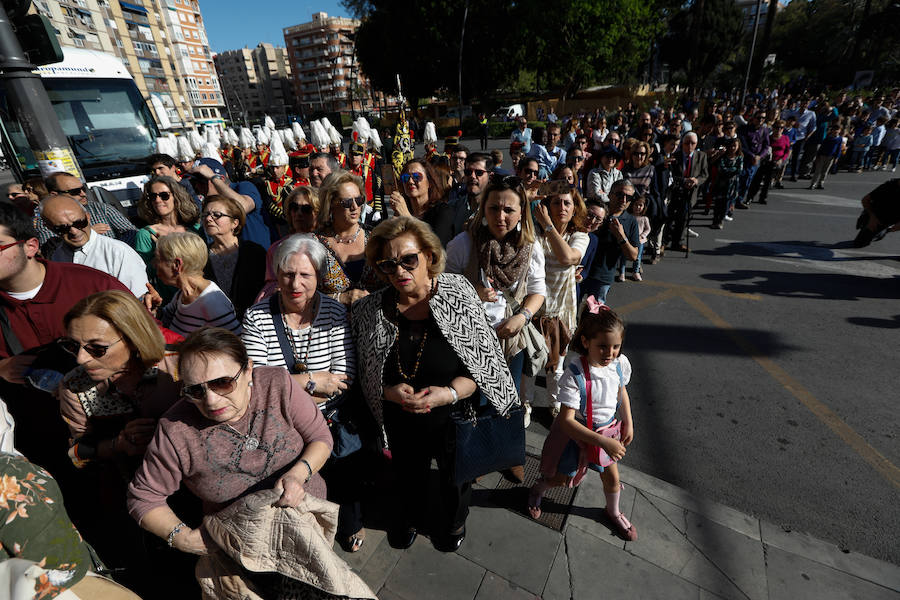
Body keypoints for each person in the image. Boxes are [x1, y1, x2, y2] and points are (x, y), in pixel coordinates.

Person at [352, 216, 519, 552]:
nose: (399, 271)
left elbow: (484, 367)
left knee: (455, 478)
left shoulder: (458, 292)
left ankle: (453, 522)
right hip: (399, 418)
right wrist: (388, 393)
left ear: (429, 255)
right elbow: (362, 374)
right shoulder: (369, 309)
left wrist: (449, 393)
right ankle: (408, 517)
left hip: (453, 415)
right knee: (406, 475)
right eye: (388, 264)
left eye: (408, 259)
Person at [126, 327, 333, 554]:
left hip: (307, 519)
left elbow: (320, 437)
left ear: (248, 370)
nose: (212, 401)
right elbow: (144, 497)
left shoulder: (277, 385)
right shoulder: (176, 431)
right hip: (243, 546)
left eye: (223, 383)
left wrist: (298, 474)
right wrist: (184, 539)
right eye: (196, 391)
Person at [240, 234, 365, 551]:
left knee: (345, 477)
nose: (296, 283)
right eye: (288, 274)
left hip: (330, 419)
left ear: (318, 277)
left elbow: (346, 377)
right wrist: (312, 381)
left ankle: (350, 525)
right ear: (277, 275)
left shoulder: (335, 314)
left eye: (305, 275)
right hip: (282, 425)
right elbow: (255, 382)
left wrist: (286, 386)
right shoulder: (257, 317)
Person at [57, 290, 180, 591]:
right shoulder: (74, 387)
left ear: (133, 336)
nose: (81, 358)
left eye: (96, 349)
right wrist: (117, 446)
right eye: (73, 346)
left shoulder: (175, 368)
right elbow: (75, 454)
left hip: (190, 497)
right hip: (126, 512)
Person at [527, 300, 637, 542]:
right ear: (586, 342)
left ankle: (613, 511)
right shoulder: (575, 374)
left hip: (606, 435)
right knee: (562, 479)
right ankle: (538, 488)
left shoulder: (619, 365)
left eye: (616, 346)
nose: (610, 354)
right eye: (603, 347)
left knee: (612, 478)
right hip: (579, 438)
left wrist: (627, 420)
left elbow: (622, 391)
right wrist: (602, 442)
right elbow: (566, 421)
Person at [446, 175, 545, 392]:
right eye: (493, 208)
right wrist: (472, 292)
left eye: (509, 210)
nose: (500, 217)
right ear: (484, 209)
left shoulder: (531, 248)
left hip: (512, 343)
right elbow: (442, 290)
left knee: (506, 405)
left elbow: (538, 291)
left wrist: (523, 317)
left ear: (521, 213)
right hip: (469, 341)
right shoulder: (463, 244)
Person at [526, 190, 589, 418]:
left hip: (561, 312)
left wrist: (548, 225)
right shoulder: (536, 235)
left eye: (567, 203)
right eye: (556, 203)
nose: (562, 207)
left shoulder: (580, 236)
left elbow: (568, 258)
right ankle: (526, 404)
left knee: (556, 367)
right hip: (535, 308)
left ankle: (554, 405)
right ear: (548, 206)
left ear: (574, 210)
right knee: (531, 365)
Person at [40, 194, 149, 298]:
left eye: (79, 223)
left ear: (88, 217)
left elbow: (137, 301)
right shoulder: (57, 256)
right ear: (49, 228)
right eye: (62, 228)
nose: (74, 231)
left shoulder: (118, 252)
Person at [152, 232, 242, 336]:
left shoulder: (213, 303)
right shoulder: (182, 294)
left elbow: (236, 345)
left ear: (177, 265)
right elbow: (165, 320)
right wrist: (154, 310)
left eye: (158, 260)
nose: (154, 265)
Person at [315, 172, 380, 306]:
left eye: (359, 200)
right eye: (347, 202)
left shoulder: (377, 238)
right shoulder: (314, 243)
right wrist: (340, 298)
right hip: (331, 323)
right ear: (331, 203)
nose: (355, 207)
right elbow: (303, 292)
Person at [200, 195, 266, 321]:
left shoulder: (254, 252)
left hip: (253, 323)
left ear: (235, 223)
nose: (208, 219)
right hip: (216, 325)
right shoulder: (201, 256)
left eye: (217, 215)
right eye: (205, 215)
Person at [189, 157, 270, 249]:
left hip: (259, 256)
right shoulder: (207, 203)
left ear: (221, 179)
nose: (197, 186)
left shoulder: (243, 187)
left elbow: (242, 207)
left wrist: (213, 178)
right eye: (194, 182)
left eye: (202, 182)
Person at [36, 173, 137, 246]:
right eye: (75, 191)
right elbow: (51, 248)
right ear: (55, 194)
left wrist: (118, 248)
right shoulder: (45, 219)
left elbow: (132, 232)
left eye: (83, 189)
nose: (83, 194)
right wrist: (89, 233)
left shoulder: (101, 208)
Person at [579, 180, 639, 303]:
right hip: (579, 271)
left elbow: (633, 256)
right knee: (570, 311)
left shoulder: (631, 221)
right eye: (620, 195)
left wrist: (621, 236)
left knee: (595, 316)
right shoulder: (596, 210)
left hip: (602, 277)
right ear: (610, 194)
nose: (623, 200)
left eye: (628, 197)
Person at [389, 159, 454, 245]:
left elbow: (437, 246)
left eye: (416, 176)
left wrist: (407, 217)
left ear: (429, 182)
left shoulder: (443, 211)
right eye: (406, 178)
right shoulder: (402, 211)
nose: (410, 181)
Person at [667, 132, 709, 252]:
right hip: (676, 190)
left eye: (693, 143)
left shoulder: (701, 156)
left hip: (691, 193)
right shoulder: (676, 155)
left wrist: (696, 181)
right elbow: (671, 175)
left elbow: (705, 175)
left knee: (684, 218)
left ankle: (677, 242)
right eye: (687, 143)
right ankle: (665, 240)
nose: (689, 146)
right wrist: (683, 181)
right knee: (670, 217)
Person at [449, 153, 494, 241]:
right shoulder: (452, 207)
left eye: (479, 173)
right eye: (468, 172)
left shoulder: (497, 211)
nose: (472, 176)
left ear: (490, 177)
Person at [853, 178, 900, 247]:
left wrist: (891, 229)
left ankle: (884, 230)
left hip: (895, 218)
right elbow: (865, 200)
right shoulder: (889, 186)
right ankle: (868, 223)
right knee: (859, 243)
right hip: (877, 215)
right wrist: (872, 217)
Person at [710, 137, 744, 229]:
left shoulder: (739, 158)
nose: (733, 148)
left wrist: (729, 171)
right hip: (721, 184)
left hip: (732, 185)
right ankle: (715, 220)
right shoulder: (723, 157)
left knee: (726, 204)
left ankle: (720, 220)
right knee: (718, 203)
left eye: (735, 146)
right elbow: (721, 168)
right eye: (731, 146)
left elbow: (739, 170)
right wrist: (731, 171)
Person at [622, 194, 650, 282]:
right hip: (628, 240)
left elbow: (648, 229)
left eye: (640, 205)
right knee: (623, 256)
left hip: (639, 241)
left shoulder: (644, 218)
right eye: (636, 205)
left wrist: (642, 235)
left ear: (644, 207)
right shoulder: (629, 216)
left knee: (638, 257)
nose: (638, 207)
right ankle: (622, 273)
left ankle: (636, 272)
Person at [808, 125, 843, 190]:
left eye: (837, 130)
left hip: (831, 157)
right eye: (834, 130)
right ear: (832, 130)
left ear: (839, 131)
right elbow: (822, 147)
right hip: (823, 156)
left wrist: (837, 157)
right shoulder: (827, 138)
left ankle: (820, 183)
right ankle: (813, 184)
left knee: (825, 171)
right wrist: (818, 155)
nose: (836, 131)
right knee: (818, 170)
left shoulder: (839, 139)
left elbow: (839, 148)